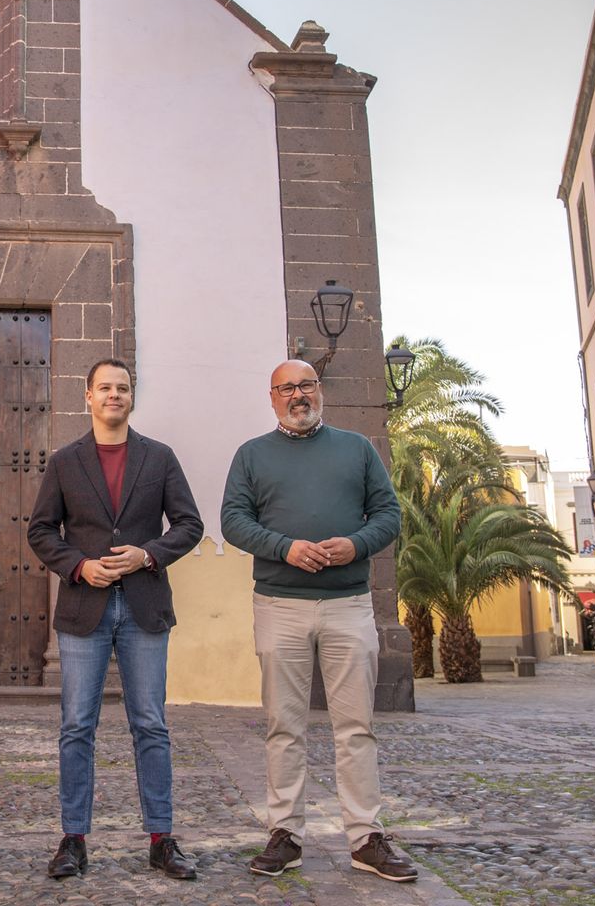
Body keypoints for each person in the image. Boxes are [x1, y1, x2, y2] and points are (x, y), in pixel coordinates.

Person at [221, 359, 417, 883]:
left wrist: (355, 544)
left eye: (306, 385)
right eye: (286, 388)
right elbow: (233, 521)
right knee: (283, 725)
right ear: (272, 397)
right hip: (279, 606)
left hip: (348, 606)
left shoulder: (357, 449)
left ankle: (365, 836)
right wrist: (285, 549)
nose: (298, 395)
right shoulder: (251, 455)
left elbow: (389, 516)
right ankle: (285, 833)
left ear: (320, 390)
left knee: (356, 726)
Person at [28, 358, 204, 881]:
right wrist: (79, 566)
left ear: (132, 397)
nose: (114, 395)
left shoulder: (160, 457)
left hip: (145, 607)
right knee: (76, 726)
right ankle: (73, 839)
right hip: (85, 608)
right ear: (88, 396)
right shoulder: (64, 461)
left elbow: (190, 524)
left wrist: (146, 555)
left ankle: (161, 837)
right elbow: (41, 532)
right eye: (104, 388)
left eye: (122, 388)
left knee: (150, 724)